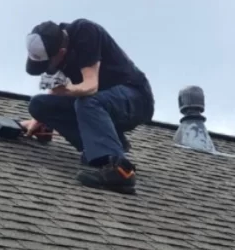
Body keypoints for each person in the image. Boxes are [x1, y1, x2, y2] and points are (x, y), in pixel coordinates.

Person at [22, 19, 154, 193]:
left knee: (87, 101)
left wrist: (66, 90)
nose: (48, 70)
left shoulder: (85, 32)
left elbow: (90, 86)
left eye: (49, 65)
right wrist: (38, 120)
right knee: (39, 105)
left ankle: (119, 170)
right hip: (103, 105)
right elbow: (55, 93)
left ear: (61, 52)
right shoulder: (58, 47)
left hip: (135, 98)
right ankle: (109, 145)